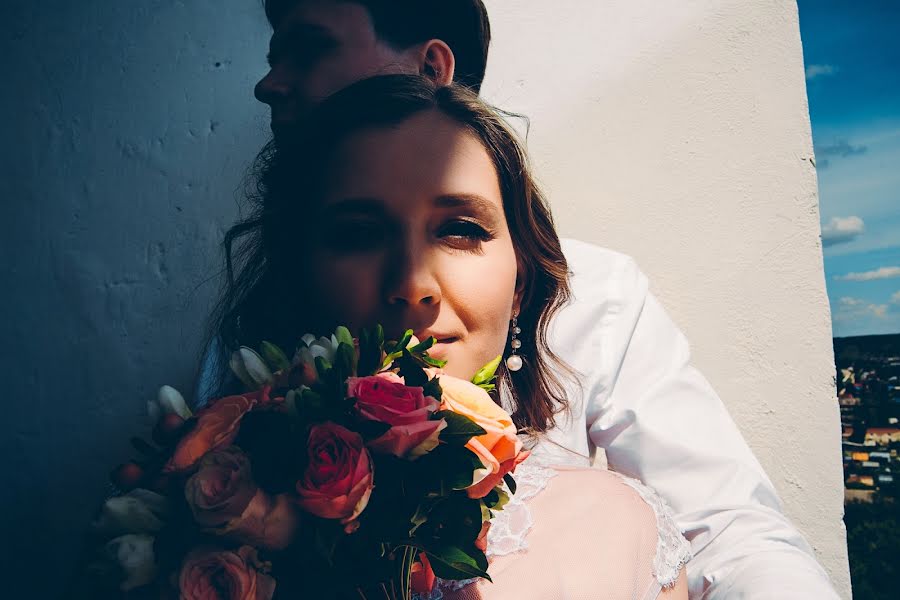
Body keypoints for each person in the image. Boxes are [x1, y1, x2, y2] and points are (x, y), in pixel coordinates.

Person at [197, 1, 840, 597]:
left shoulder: (592, 297)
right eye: (356, 233)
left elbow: (728, 527)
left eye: (309, 49)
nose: (271, 84)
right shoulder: (253, 341)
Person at [212, 71, 690, 599]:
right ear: (298, 276)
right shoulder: (214, 524)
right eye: (360, 233)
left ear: (519, 286)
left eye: (460, 229)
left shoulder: (620, 534)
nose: (413, 284)